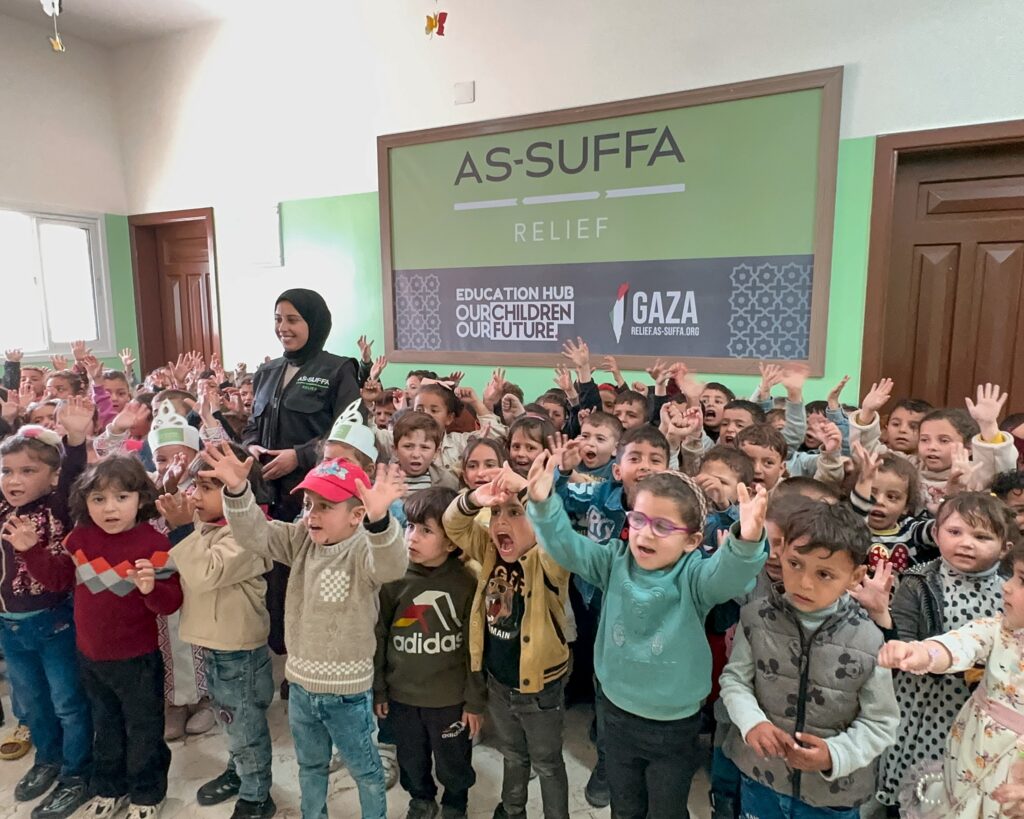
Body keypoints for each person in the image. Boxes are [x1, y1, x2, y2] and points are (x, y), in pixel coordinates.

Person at [525, 454, 769, 819]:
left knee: (666, 809)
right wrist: (543, 504)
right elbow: (567, 547)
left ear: (692, 540)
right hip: (616, 713)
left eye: (662, 526)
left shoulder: (695, 577)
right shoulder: (613, 560)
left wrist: (746, 540)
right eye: (638, 519)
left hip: (674, 725)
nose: (645, 532)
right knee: (625, 805)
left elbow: (729, 576)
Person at [205, 445, 408, 819]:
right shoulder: (300, 539)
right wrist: (237, 491)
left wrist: (380, 522)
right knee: (310, 767)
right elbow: (254, 534)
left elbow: (392, 565)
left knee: (365, 771)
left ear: (357, 515)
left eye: (325, 506)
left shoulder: (364, 550)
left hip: (347, 694)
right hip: (301, 688)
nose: (312, 514)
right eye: (309, 504)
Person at [720, 500, 900, 819]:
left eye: (824, 574)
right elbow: (735, 680)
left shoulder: (869, 639)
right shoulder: (755, 618)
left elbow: (881, 722)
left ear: (855, 576)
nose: (804, 582)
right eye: (795, 564)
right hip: (761, 778)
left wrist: (835, 754)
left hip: (832, 795)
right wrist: (752, 723)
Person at [27, 456, 182, 819]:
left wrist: (150, 588)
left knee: (144, 729)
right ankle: (110, 786)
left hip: (138, 660)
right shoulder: (80, 538)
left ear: (141, 499)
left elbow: (171, 602)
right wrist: (30, 550)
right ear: (85, 502)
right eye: (98, 499)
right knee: (105, 725)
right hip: (91, 657)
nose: (110, 508)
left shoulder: (155, 544)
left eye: (121, 497)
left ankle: (147, 792)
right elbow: (58, 579)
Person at [864, 492, 1014, 815]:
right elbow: (901, 642)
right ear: (935, 533)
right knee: (912, 785)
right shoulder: (918, 581)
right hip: (920, 704)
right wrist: (889, 628)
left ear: (1005, 548)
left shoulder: (1010, 592)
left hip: (973, 714)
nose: (966, 543)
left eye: (982, 537)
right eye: (955, 532)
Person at [242, 288, 362, 660]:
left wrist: (300, 456)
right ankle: (286, 661)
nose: (283, 327)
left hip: (316, 501)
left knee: (314, 587)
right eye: (278, 319)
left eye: (293, 319)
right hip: (268, 500)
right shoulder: (266, 372)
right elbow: (251, 427)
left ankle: (312, 663)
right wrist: (251, 446)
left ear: (314, 323)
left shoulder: (339, 370)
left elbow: (350, 433)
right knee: (276, 589)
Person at [158, 446, 276, 819]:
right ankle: (240, 771)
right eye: (194, 485)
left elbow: (206, 573)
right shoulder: (208, 523)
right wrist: (172, 497)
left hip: (238, 652)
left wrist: (181, 529)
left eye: (208, 487)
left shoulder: (249, 535)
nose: (195, 495)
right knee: (233, 722)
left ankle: (257, 797)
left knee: (244, 726)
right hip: (216, 645)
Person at [0, 403, 94, 819]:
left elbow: (74, 476)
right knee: (34, 703)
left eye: (27, 471)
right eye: (6, 471)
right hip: (9, 627)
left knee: (68, 703)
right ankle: (48, 759)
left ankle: (77, 771)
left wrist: (75, 439)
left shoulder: (57, 507)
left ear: (51, 477)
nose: (14, 480)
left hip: (54, 622)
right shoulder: (2, 508)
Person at [374, 487, 483, 819]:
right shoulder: (394, 578)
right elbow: (379, 634)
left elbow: (475, 648)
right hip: (402, 696)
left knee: (454, 759)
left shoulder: (467, 583)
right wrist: (379, 688)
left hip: (449, 698)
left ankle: (455, 801)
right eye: (410, 526)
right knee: (411, 757)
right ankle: (421, 797)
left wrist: (474, 701)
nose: (412, 537)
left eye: (425, 530)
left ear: (451, 542)